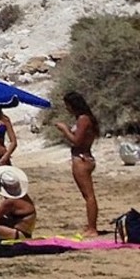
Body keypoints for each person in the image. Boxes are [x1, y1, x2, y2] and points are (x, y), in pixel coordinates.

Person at [55, 91, 100, 236]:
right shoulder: (85, 119)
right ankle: (91, 225)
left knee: (89, 196)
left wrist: (64, 130)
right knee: (87, 195)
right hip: (84, 157)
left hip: (81, 159)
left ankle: (92, 228)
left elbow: (76, 141)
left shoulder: (83, 119)